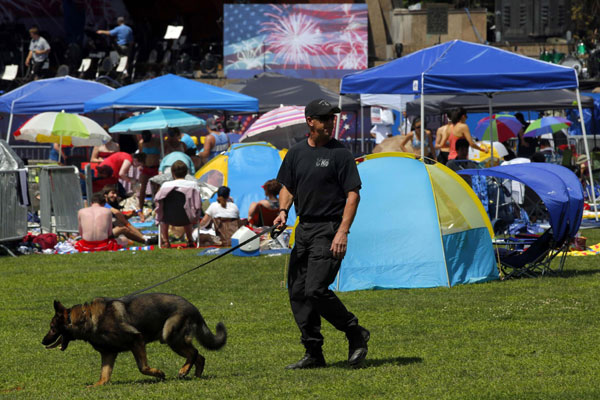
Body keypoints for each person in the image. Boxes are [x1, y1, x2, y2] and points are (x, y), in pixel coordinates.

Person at [273, 98, 369, 370]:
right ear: (310, 121)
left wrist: (342, 232)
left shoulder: (341, 154)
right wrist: (282, 211)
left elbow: (353, 196)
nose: (330, 122)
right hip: (303, 229)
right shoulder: (296, 153)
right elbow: (288, 187)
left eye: (332, 118)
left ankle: (355, 332)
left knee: (315, 289)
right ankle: (314, 352)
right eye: (325, 118)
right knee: (298, 292)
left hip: (329, 229)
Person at [154, 161, 202, 248]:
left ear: (172, 172)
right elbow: (198, 204)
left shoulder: (165, 185)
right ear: (186, 172)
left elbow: (158, 200)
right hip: (188, 217)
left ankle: (166, 241)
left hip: (168, 217)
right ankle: (190, 239)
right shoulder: (193, 185)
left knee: (163, 215)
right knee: (188, 210)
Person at [136, 130, 161, 220]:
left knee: (156, 189)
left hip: (155, 167)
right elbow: (141, 155)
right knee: (142, 189)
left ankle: (157, 208)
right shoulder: (141, 143)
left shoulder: (158, 141)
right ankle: (140, 209)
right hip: (146, 167)